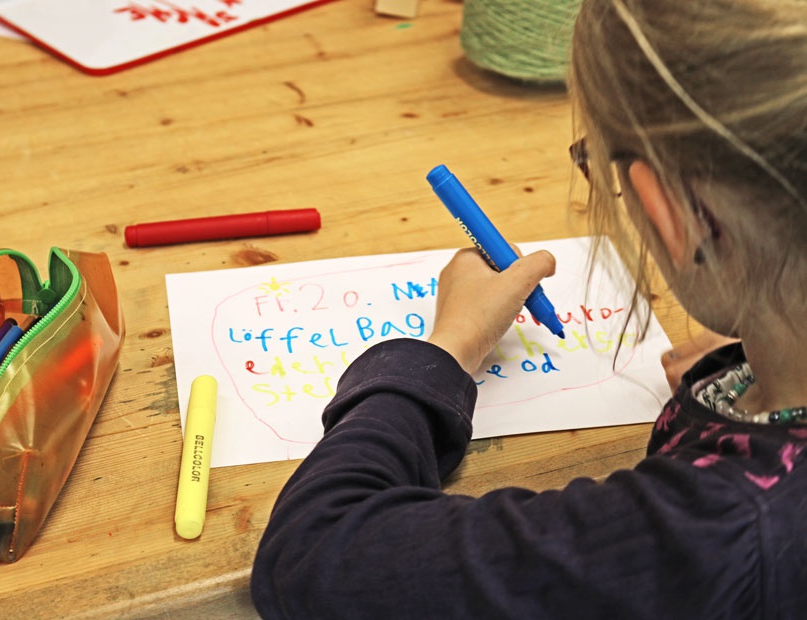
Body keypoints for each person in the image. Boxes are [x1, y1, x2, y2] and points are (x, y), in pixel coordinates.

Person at [251, 0, 807, 617]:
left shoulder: (718, 527)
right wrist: (753, 359)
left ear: (671, 213)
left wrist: (444, 350)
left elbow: (314, 556)